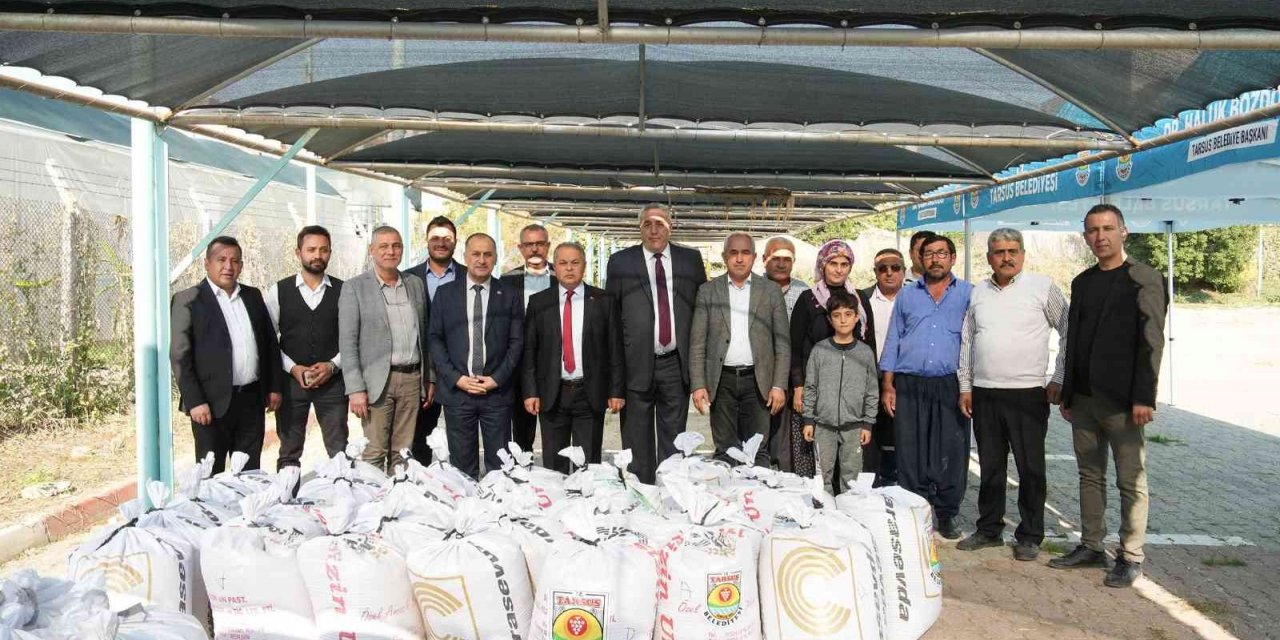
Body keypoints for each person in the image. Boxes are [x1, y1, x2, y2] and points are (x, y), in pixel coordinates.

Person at [1049, 205, 1167, 589]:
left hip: (1124, 401)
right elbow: (1074, 340)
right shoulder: (1082, 282)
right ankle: (1091, 545)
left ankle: (1131, 555)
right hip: (1083, 399)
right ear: (1085, 236)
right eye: (1093, 230)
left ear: (1123, 232)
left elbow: (1151, 341)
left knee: (1130, 481)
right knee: (1089, 474)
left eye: (1108, 229)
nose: (1100, 237)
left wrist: (1144, 396)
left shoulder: (1144, 278)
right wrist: (1068, 392)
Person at [955, 228, 1069, 562]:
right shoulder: (978, 293)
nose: (1007, 257)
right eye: (999, 252)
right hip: (986, 393)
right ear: (989, 257)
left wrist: (1059, 376)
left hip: (1028, 394)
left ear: (1022, 254)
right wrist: (966, 386)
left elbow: (1069, 330)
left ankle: (1030, 535)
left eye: (1012, 251)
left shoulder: (1043, 287)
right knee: (990, 467)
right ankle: (989, 529)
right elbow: (967, 341)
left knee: (1030, 468)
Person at [605, 204, 708, 483]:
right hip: (635, 365)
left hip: (675, 363)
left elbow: (702, 312)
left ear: (671, 227)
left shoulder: (690, 260)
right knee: (635, 438)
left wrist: (699, 373)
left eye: (660, 224)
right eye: (647, 224)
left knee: (674, 438)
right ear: (639, 228)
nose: (654, 230)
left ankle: (670, 488)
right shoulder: (621, 262)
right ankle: (642, 491)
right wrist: (614, 377)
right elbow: (611, 319)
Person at [880, 235, 973, 540]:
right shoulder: (907, 295)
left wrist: (969, 386)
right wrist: (888, 384)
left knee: (951, 451)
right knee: (911, 451)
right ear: (921, 259)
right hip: (909, 383)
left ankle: (946, 514)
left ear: (952, 258)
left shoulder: (969, 294)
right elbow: (894, 338)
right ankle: (915, 511)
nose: (935, 259)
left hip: (950, 384)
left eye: (941, 253)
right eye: (929, 254)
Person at [171, 236, 283, 473]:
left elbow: (269, 344)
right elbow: (180, 356)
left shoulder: (253, 296)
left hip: (251, 401)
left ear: (241, 265)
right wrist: (195, 401)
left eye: (235, 261)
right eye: (221, 260)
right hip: (210, 406)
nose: (228, 266)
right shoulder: (188, 300)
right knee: (212, 475)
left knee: (249, 473)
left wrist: (274, 387)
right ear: (207, 263)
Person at [428, 233, 525, 480]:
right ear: (465, 257)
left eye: (487, 254)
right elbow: (435, 340)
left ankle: (497, 504)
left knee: (500, 468)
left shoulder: (510, 294)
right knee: (462, 470)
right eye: (476, 254)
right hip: (458, 392)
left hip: (497, 393)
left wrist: (497, 379)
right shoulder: (445, 294)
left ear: (495, 258)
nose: (482, 260)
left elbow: (516, 342)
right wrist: (456, 378)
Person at [522, 242, 625, 472]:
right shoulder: (539, 302)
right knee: (553, 464)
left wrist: (616, 391)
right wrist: (530, 391)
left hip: (590, 393)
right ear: (555, 267)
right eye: (563, 263)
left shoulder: (604, 300)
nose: (569, 268)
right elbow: (530, 350)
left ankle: (585, 496)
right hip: (552, 394)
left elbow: (615, 348)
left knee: (588, 465)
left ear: (584, 266)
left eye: (575, 263)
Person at [690, 233, 790, 466]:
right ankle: (727, 489)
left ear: (754, 257)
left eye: (745, 253)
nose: (739, 259)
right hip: (721, 381)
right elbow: (697, 343)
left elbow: (782, 343)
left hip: (758, 381)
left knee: (758, 449)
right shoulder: (708, 291)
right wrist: (698, 384)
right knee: (725, 450)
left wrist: (778, 385)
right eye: (733, 253)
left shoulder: (770, 291)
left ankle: (758, 490)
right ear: (724, 256)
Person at [338, 226, 431, 473]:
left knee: (403, 452)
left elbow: (424, 334)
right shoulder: (354, 288)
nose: (391, 251)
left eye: (396, 246)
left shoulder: (414, 284)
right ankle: (373, 497)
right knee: (374, 451)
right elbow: (348, 343)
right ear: (372, 250)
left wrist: (428, 377)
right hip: (376, 382)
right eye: (384, 246)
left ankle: (399, 496)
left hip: (411, 379)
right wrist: (355, 389)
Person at [265, 225, 347, 469]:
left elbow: (353, 337)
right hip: (291, 385)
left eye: (323, 250)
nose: (317, 255)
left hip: (333, 385)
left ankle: (341, 492)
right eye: (311, 249)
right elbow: (268, 340)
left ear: (330, 253)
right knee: (289, 452)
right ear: (298, 252)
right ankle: (287, 492)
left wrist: (333, 366)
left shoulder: (344, 290)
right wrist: (293, 368)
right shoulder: (279, 291)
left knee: (339, 451)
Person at [789, 239, 865, 479]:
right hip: (815, 387)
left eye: (844, 264)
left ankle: (847, 497)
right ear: (823, 265)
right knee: (814, 452)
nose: (839, 270)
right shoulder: (808, 299)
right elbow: (796, 346)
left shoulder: (859, 299)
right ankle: (817, 497)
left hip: (850, 389)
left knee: (849, 453)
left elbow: (868, 345)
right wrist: (798, 386)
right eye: (833, 263)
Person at [801, 290, 879, 495]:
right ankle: (824, 510)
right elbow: (810, 387)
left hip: (854, 426)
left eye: (848, 314)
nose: (843, 320)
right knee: (822, 477)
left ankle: (849, 510)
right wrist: (808, 420)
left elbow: (872, 391)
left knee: (851, 478)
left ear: (856, 317)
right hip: (823, 425)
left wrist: (868, 423)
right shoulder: (819, 350)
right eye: (837, 315)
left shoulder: (865, 353)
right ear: (830, 319)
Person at [405, 216, 467, 463]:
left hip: (460, 371)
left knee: (462, 440)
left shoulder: (469, 276)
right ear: (426, 241)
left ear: (455, 242)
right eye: (435, 238)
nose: (441, 243)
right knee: (420, 440)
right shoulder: (408, 278)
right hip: (421, 373)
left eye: (447, 238)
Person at [501, 223, 557, 454]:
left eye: (540, 244)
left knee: (556, 428)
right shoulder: (506, 281)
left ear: (548, 246)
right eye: (529, 244)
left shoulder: (561, 276)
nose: (534, 249)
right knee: (522, 431)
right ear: (520, 248)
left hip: (556, 362)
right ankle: (524, 469)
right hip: (520, 364)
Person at [857, 248, 906, 483]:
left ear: (904, 271)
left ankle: (898, 482)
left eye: (895, 268)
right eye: (882, 268)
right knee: (871, 434)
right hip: (870, 375)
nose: (889, 273)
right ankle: (871, 484)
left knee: (901, 435)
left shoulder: (914, 298)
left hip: (903, 377)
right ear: (875, 272)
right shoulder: (861, 299)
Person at [762, 236, 810, 469]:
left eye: (787, 259)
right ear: (764, 259)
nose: (781, 264)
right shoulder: (753, 288)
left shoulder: (804, 292)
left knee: (788, 431)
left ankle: (786, 473)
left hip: (794, 372)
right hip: (760, 370)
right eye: (775, 258)